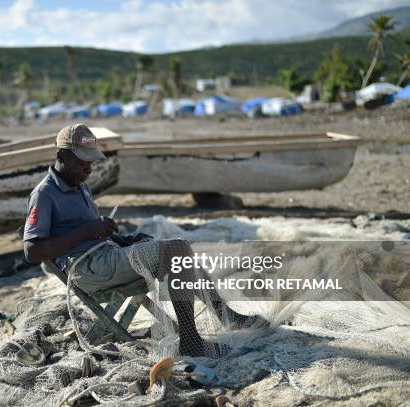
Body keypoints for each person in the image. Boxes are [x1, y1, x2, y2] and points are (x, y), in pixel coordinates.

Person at [23, 123, 262, 357]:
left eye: (91, 161)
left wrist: (125, 239)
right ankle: (193, 341)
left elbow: (91, 232)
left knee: (179, 251)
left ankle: (224, 316)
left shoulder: (79, 185)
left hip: (107, 257)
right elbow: (32, 251)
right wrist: (87, 231)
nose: (88, 168)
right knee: (176, 250)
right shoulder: (45, 194)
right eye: (81, 161)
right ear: (61, 155)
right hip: (87, 270)